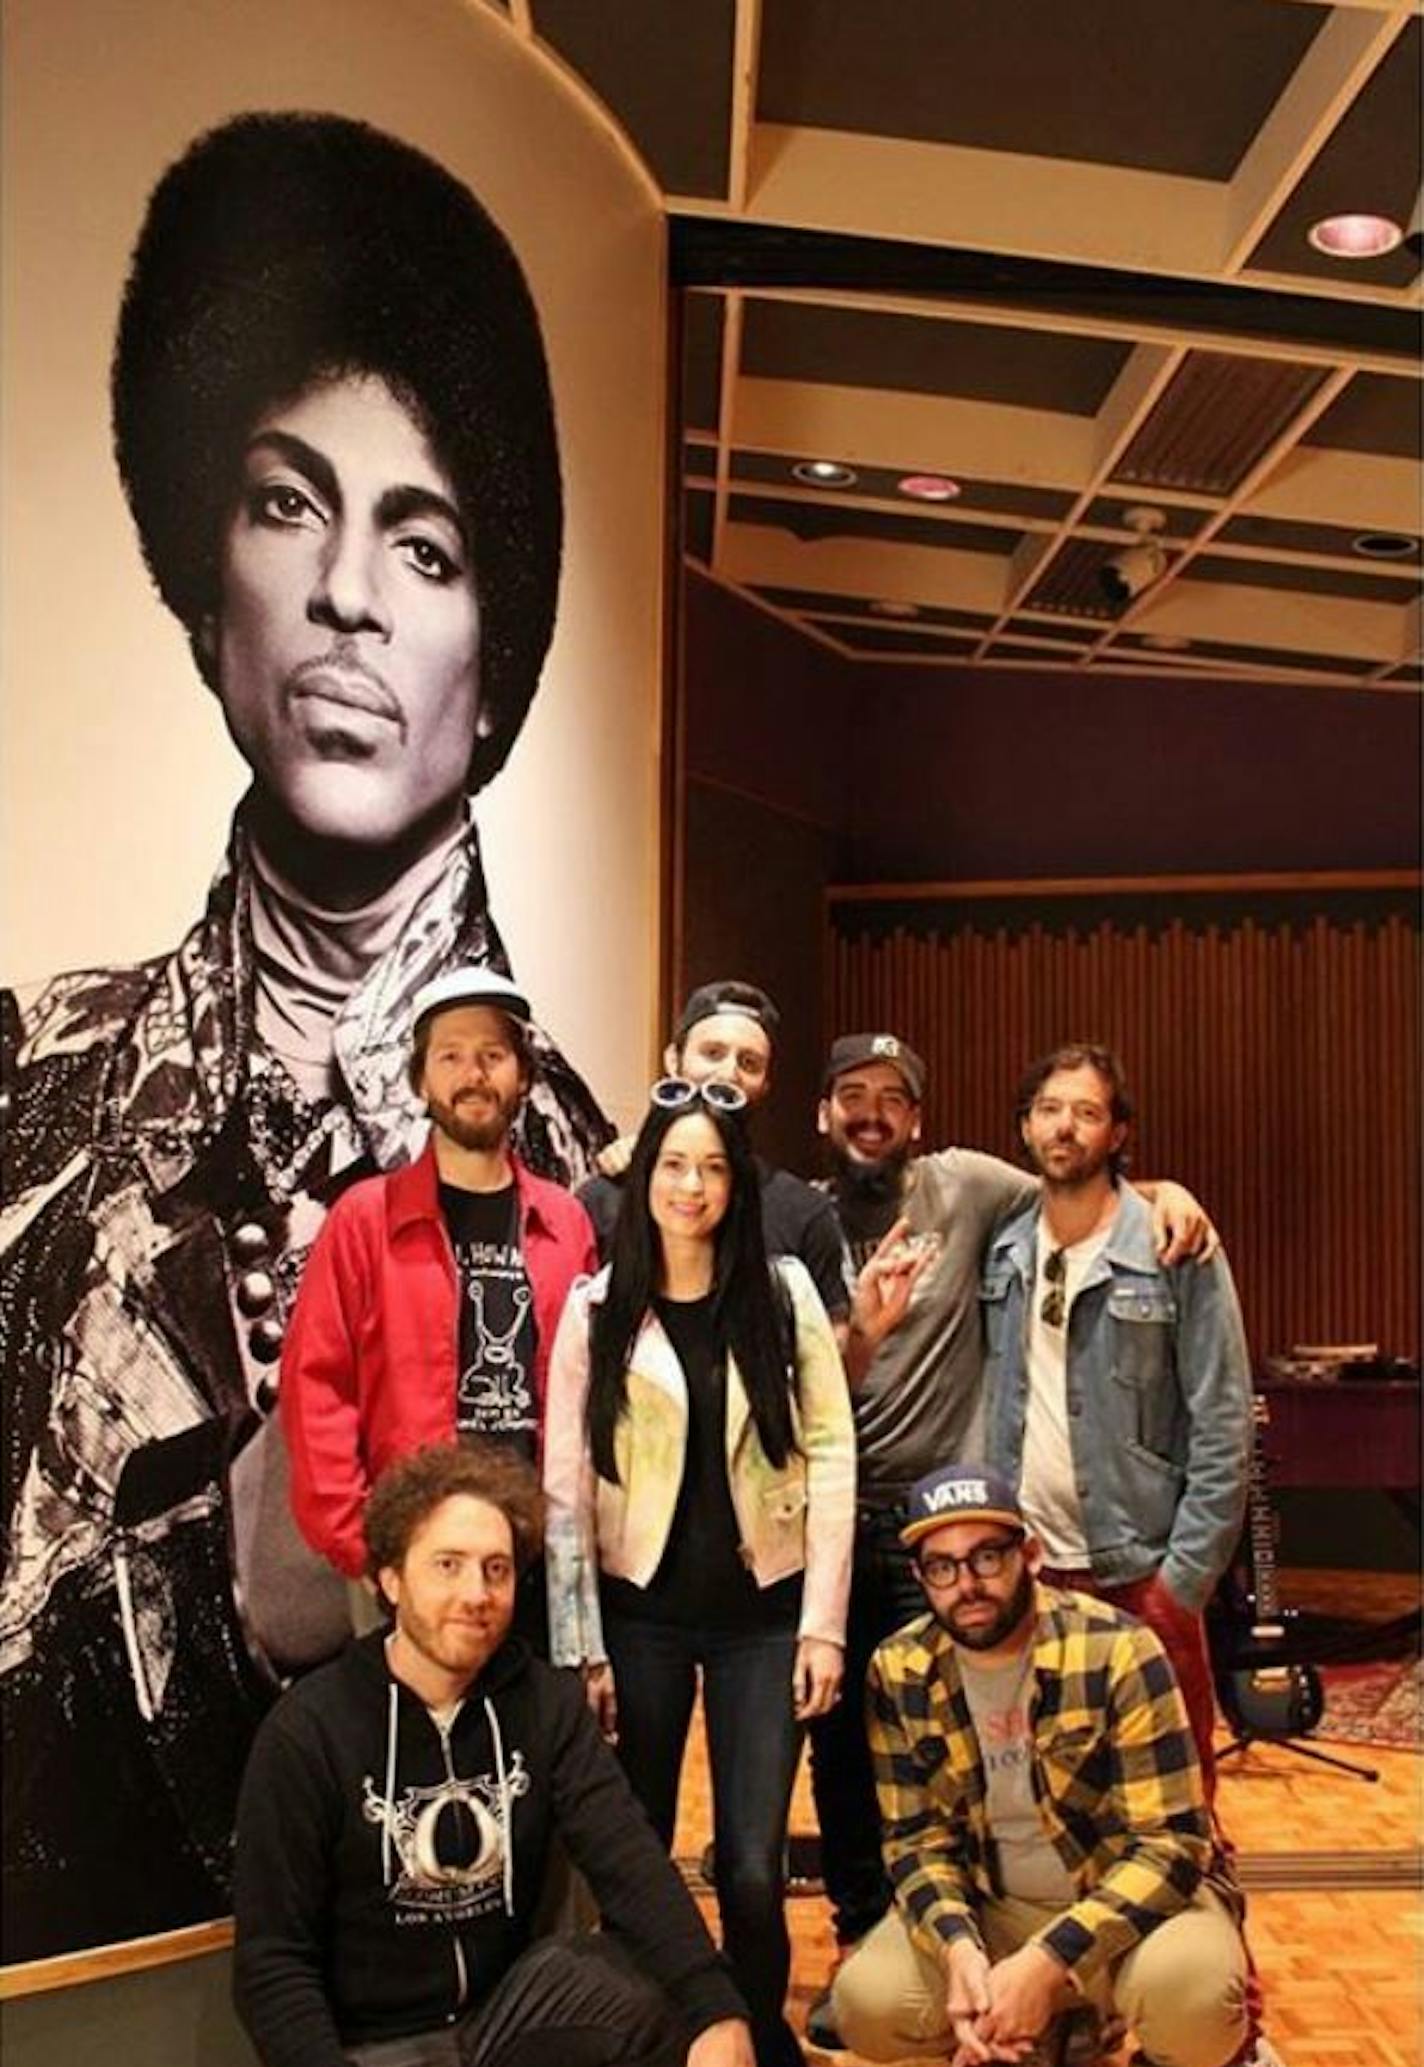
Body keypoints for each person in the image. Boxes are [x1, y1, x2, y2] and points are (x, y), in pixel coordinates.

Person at [0, 112, 612, 1963]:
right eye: (287, 503)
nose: (346, 592)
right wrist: (209, 1581)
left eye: (421, 545)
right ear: (213, 590)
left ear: (491, 660)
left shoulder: (582, 1167)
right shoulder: (32, 1082)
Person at [805, 1031, 1216, 2033]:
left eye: (891, 1098)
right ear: (822, 1114)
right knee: (860, 1752)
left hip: (956, 1530)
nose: (870, 1113)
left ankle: (1182, 1998)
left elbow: (1077, 1180)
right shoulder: (792, 1217)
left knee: (1100, 1777)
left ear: (919, 1120)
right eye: (849, 1096)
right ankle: (886, 1934)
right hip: (830, 1520)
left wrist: (1163, 1189)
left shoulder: (970, 1191)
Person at [979, 1044, 1333, 2067]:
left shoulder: (1173, 1246)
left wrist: (1181, 1584)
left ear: (1118, 1132)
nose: (1063, 1128)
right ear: (1026, 1126)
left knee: (1183, 1828)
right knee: (1041, 1823)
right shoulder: (1004, 1246)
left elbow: (1224, 1426)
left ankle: (1231, 2047)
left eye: (1085, 1112)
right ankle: (1059, 2027)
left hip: (1141, 1584)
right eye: (1047, 1109)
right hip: (1030, 1584)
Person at [234, 1440, 757, 2067]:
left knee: (668, 1991)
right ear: (389, 1579)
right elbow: (271, 1966)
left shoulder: (545, 1705)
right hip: (369, 2048)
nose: (477, 1594)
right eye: (447, 1565)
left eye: (497, 1569)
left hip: (500, 2013)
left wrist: (719, 2010)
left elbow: (630, 1863)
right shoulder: (308, 1731)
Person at [542, 1081, 855, 2067]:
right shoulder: (598, 1306)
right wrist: (579, 1644)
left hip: (765, 1622)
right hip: (637, 1620)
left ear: (737, 1184)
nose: (691, 1185)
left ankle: (754, 2050)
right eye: (674, 1164)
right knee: (633, 1858)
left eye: (712, 1167)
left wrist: (823, 1630)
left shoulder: (781, 1297)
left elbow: (830, 1459)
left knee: (752, 1866)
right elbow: (564, 1488)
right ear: (644, 1179)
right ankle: (648, 2049)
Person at [832, 1461, 1250, 2067]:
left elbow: (1173, 1847)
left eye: (987, 1558)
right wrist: (963, 1952)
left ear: (1031, 1554)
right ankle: (1039, 2037)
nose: (967, 1585)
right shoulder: (898, 1668)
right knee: (870, 2006)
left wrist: (1047, 1962)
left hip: (1123, 1906)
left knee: (1200, 1995)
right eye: (941, 1567)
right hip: (996, 1907)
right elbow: (914, 1843)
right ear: (920, 1577)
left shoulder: (1119, 1649)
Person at [282, 968, 597, 1643]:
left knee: (524, 1744)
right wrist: (361, 1544)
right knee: (410, 1742)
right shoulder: (364, 1220)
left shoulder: (566, 1223)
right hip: (412, 1554)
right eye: (450, 1056)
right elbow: (316, 1388)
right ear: (420, 1080)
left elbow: (591, 1391)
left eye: (492, 1055)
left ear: (523, 1077)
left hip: (532, 1557)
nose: (473, 1074)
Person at [579, 980, 851, 1331]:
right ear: (673, 1061)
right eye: (712, 1053)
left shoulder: (805, 1214)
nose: (728, 1073)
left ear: (766, 1084)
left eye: (749, 1063)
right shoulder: (605, 1198)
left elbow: (827, 1358)